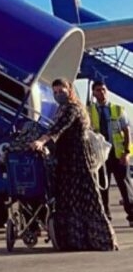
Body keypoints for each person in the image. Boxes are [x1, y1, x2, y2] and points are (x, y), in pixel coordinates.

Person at [29, 78, 117, 251]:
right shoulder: (61, 109)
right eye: (55, 92)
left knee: (86, 198)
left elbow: (58, 128)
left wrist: (42, 141)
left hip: (78, 159)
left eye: (61, 91)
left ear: (69, 90)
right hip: (66, 158)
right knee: (68, 199)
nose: (57, 95)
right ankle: (73, 240)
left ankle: (100, 239)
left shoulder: (73, 109)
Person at [88, 80, 133, 227]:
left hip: (117, 153)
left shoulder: (118, 109)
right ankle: (105, 216)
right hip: (100, 155)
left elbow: (127, 132)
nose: (102, 92)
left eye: (104, 90)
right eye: (98, 90)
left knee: (125, 186)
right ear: (93, 93)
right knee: (102, 187)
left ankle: (132, 215)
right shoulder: (89, 111)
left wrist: (127, 153)